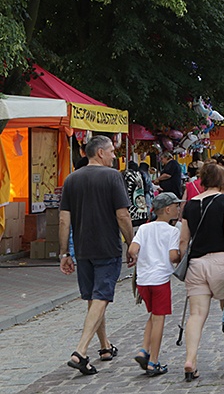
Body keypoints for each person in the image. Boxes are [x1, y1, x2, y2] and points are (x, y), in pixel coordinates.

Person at [58, 135, 134, 376]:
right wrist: (131, 243)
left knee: (94, 299)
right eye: (111, 151)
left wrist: (64, 253)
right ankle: (80, 351)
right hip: (106, 247)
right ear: (100, 153)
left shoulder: (71, 179)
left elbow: (63, 219)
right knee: (101, 296)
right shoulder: (113, 177)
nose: (114, 155)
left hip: (83, 249)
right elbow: (122, 215)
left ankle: (104, 347)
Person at [180, 163, 224, 382]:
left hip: (196, 264)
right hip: (221, 262)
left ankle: (190, 360)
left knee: (196, 315)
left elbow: (184, 239)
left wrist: (180, 259)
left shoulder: (190, 205)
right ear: (223, 181)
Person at [127, 192, 183, 377]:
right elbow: (173, 256)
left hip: (143, 281)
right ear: (167, 210)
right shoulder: (173, 231)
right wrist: (182, 255)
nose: (178, 208)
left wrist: (137, 256)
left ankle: (144, 349)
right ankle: (153, 361)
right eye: (176, 206)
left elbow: (133, 249)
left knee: (153, 315)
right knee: (159, 319)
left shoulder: (144, 228)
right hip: (160, 280)